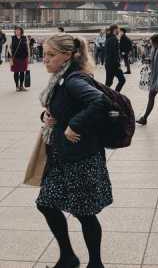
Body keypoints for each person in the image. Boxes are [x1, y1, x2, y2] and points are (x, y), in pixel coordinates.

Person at [36, 33, 112, 268]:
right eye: (44, 54)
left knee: (84, 212)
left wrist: (74, 124)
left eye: (50, 55)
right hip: (63, 156)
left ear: (67, 56)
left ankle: (95, 264)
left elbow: (100, 101)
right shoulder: (60, 79)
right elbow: (62, 108)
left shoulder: (73, 80)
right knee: (46, 203)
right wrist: (49, 116)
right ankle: (68, 257)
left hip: (80, 157)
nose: (45, 59)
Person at [104, 24, 125, 92]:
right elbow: (114, 53)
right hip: (113, 64)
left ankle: (105, 96)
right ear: (115, 29)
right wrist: (117, 64)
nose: (119, 30)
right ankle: (116, 95)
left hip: (108, 63)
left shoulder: (108, 38)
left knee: (108, 83)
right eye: (118, 29)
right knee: (122, 80)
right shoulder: (114, 39)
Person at [10, 26, 29, 92]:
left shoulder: (24, 38)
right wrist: (10, 57)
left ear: (21, 31)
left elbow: (27, 47)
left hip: (23, 58)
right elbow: (10, 48)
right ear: (15, 31)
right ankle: (17, 86)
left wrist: (27, 56)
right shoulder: (13, 38)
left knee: (22, 72)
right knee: (16, 72)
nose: (17, 31)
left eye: (19, 30)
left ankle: (21, 86)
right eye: (16, 30)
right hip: (15, 58)